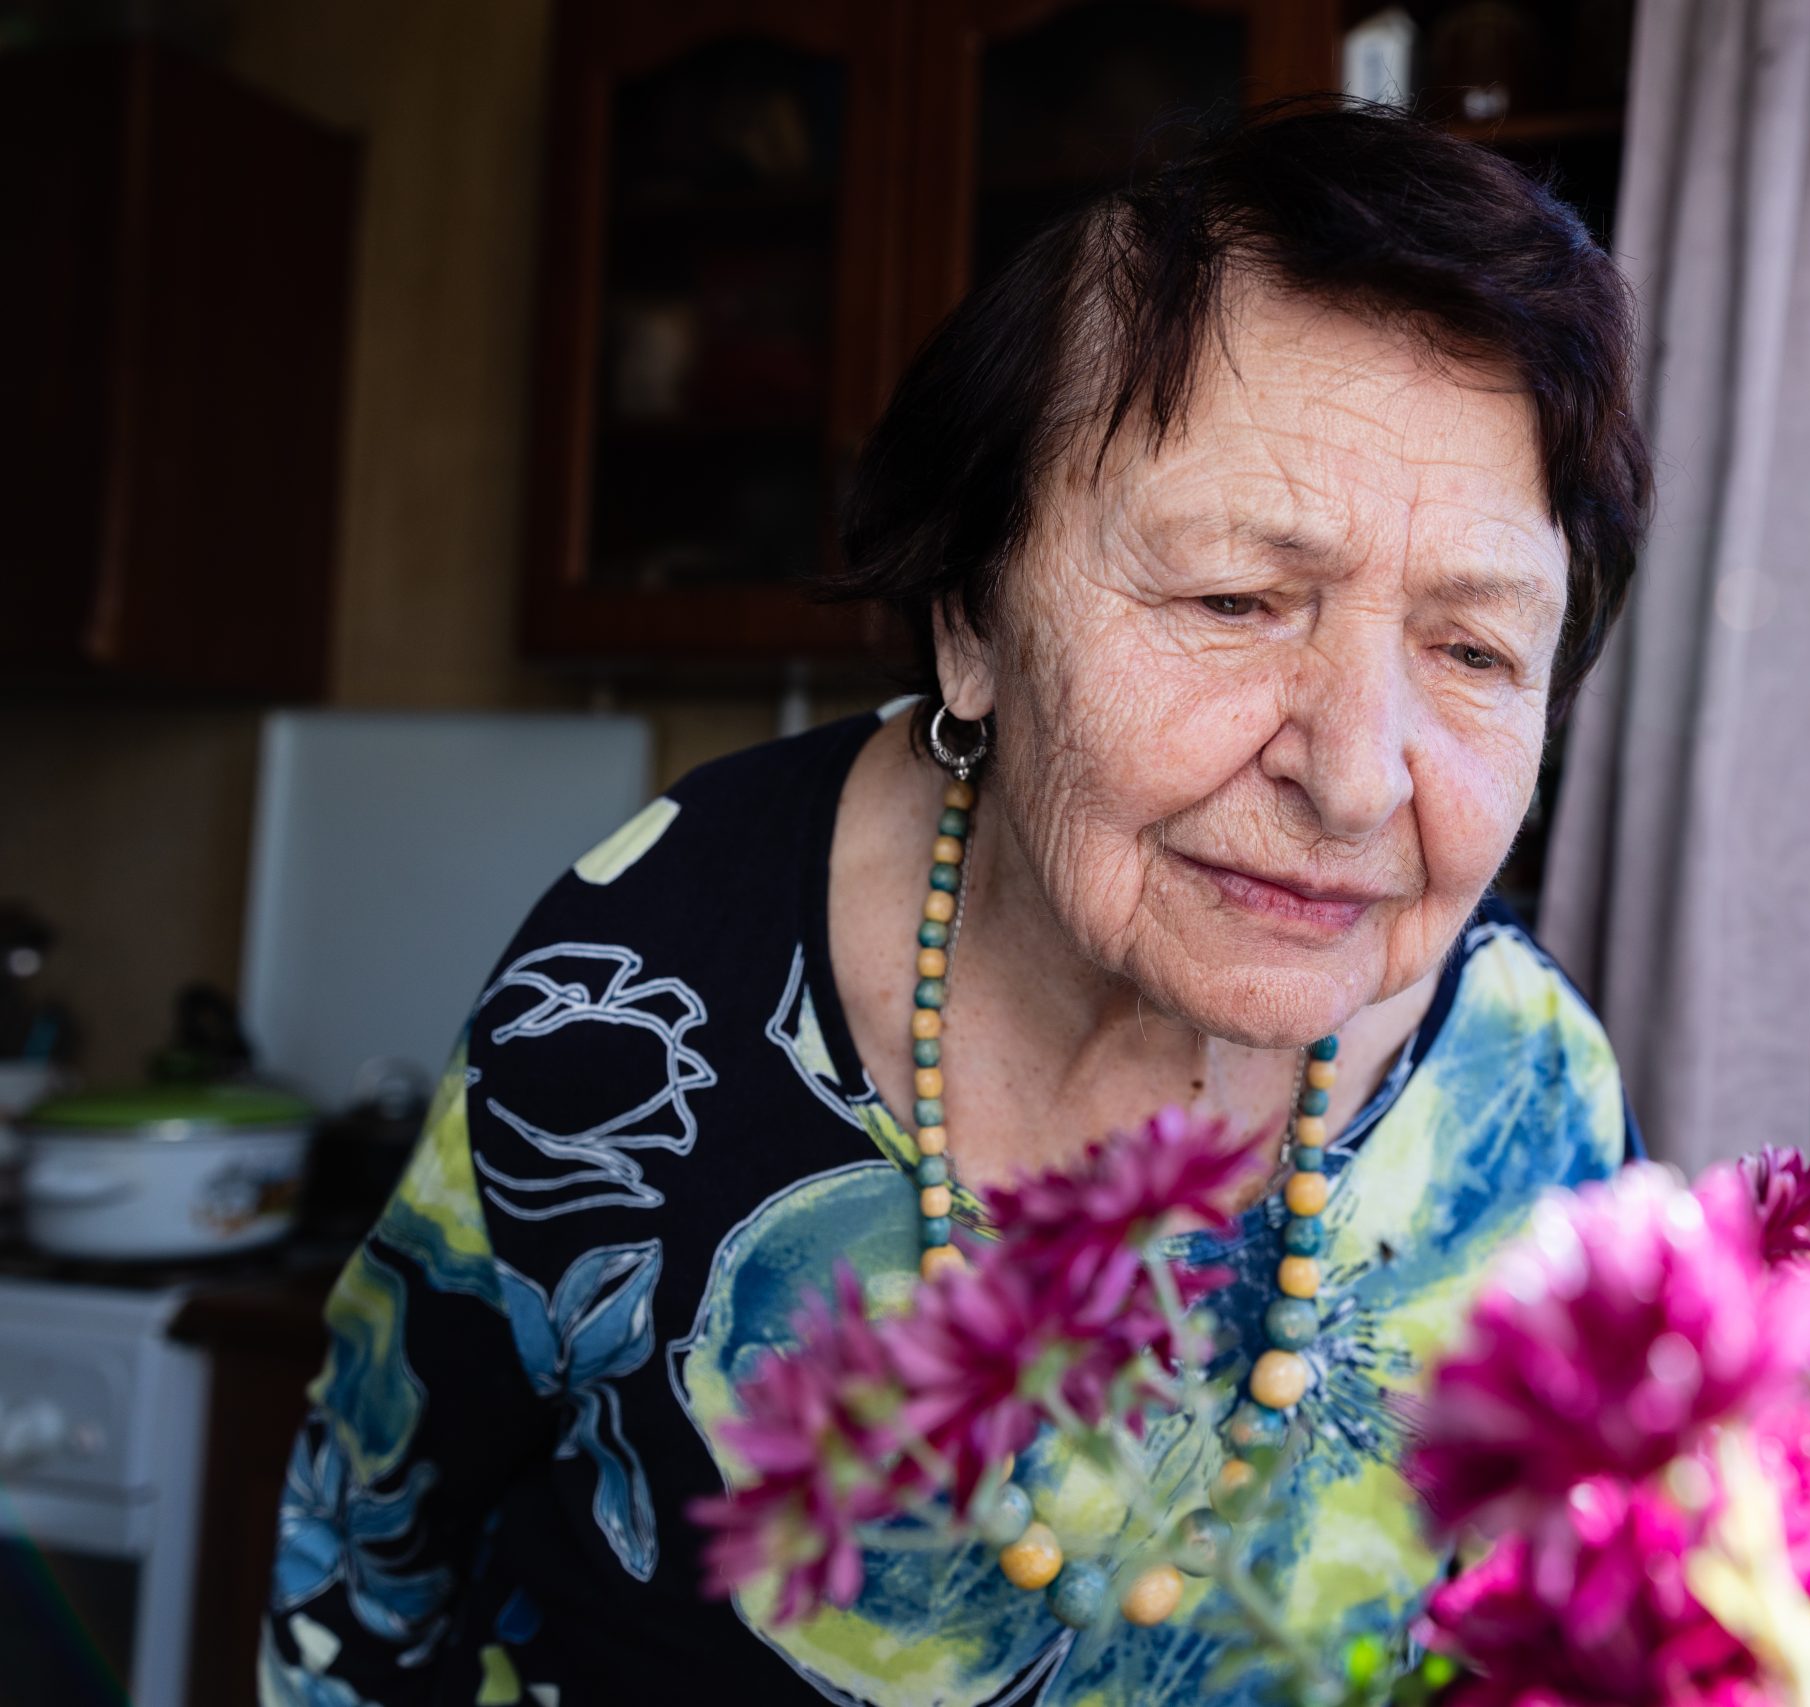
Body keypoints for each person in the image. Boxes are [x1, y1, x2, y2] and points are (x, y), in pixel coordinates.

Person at [261, 98, 1650, 1706]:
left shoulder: (1531, 1097)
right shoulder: (640, 987)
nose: (1354, 778)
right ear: (971, 620)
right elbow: (366, 1562)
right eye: (1235, 598)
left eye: (1473, 650)